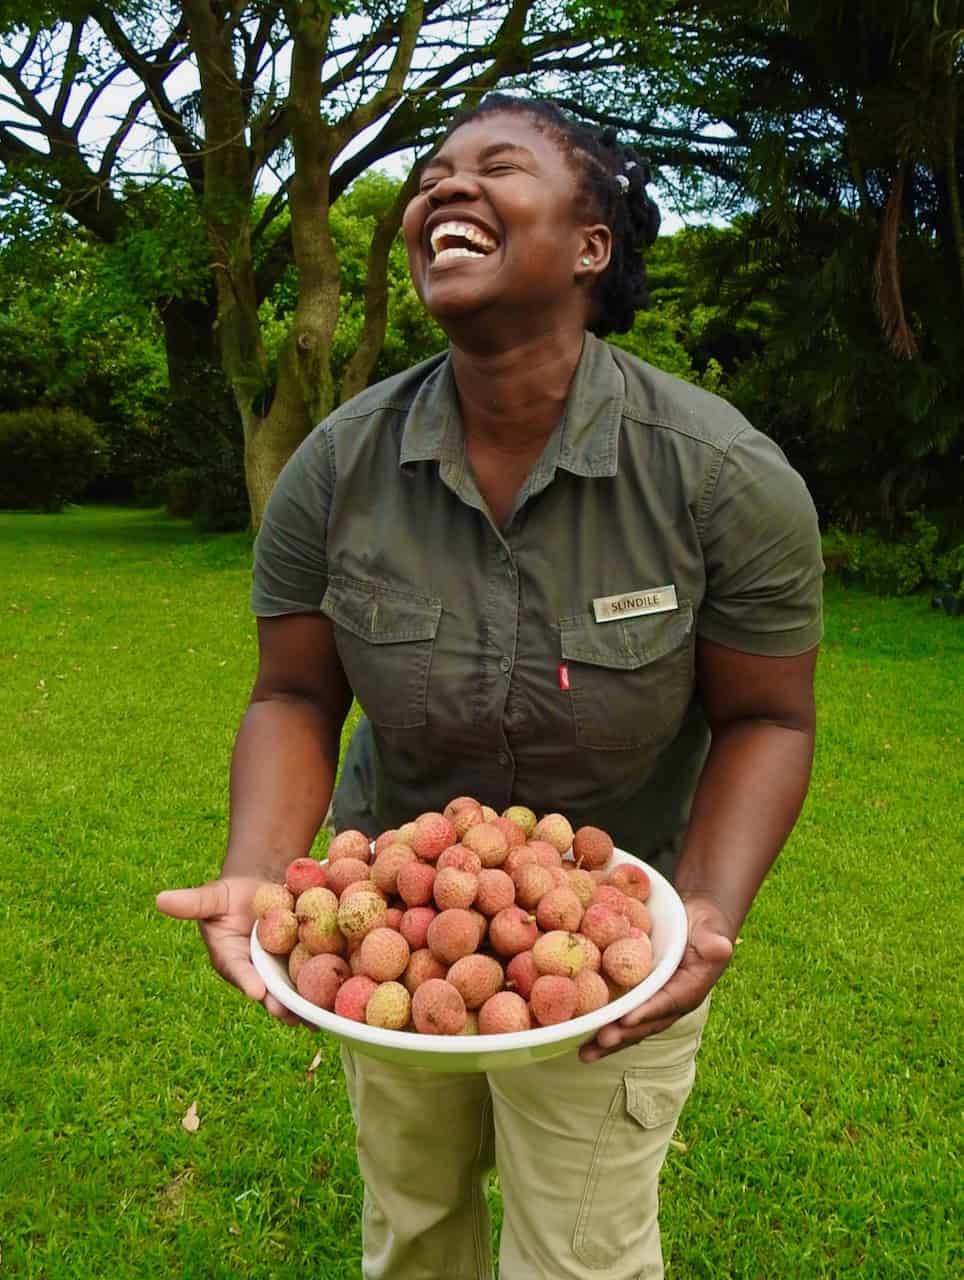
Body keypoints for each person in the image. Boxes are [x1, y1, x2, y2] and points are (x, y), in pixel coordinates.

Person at [157, 94, 823, 1280]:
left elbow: (766, 715)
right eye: (429, 176)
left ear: (589, 244)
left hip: (618, 923)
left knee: (581, 1253)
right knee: (413, 1231)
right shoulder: (337, 465)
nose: (441, 190)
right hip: (393, 923)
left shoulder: (722, 476)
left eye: (495, 166)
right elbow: (294, 695)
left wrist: (707, 908)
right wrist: (260, 866)